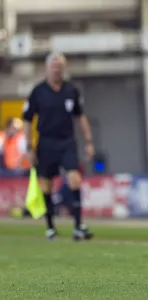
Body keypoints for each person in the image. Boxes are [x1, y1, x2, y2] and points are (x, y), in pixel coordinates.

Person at [22, 52, 95, 240]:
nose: (56, 69)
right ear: (47, 68)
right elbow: (28, 120)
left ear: (63, 68)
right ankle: (50, 227)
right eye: (53, 66)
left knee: (74, 178)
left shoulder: (71, 90)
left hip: (67, 141)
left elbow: (81, 116)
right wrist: (29, 147)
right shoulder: (38, 91)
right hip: (46, 141)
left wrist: (89, 141)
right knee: (46, 183)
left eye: (59, 66)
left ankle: (78, 226)